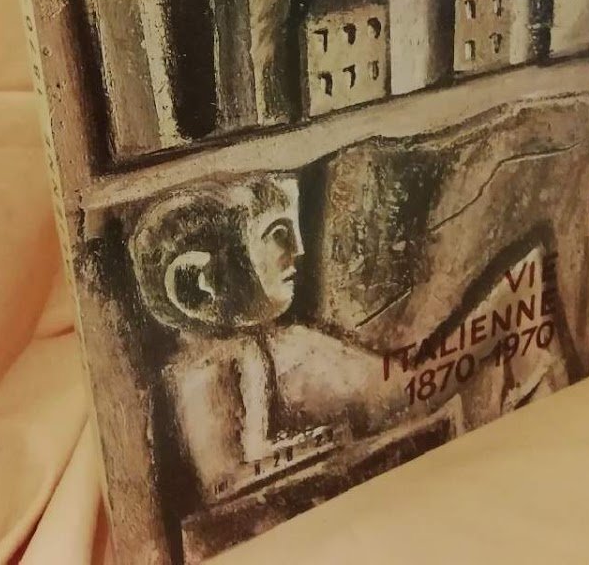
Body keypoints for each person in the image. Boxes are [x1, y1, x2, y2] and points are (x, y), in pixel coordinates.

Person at [129, 174, 457, 505]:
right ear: (201, 281)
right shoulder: (202, 373)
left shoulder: (275, 348)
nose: (297, 250)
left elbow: (404, 392)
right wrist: (324, 446)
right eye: (277, 233)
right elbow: (224, 486)